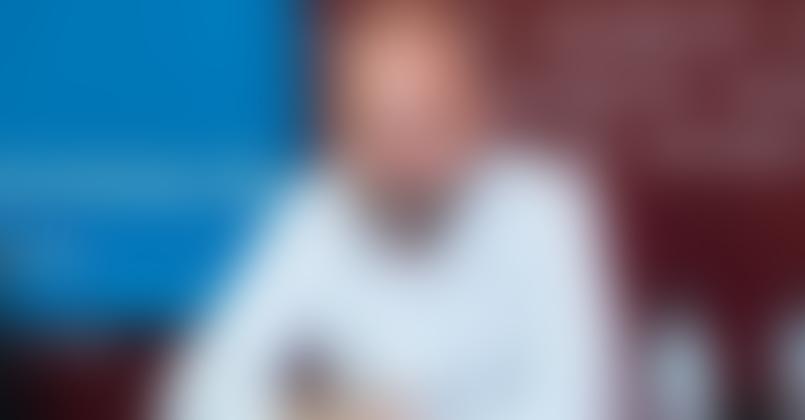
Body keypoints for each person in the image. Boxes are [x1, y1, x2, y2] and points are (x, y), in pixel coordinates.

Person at [158, 2, 622, 420]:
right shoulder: (313, 212)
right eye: (376, 124)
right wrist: (335, 410)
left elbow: (577, 405)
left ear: (477, 116)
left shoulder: (544, 212)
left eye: (424, 122)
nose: (401, 155)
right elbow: (199, 399)